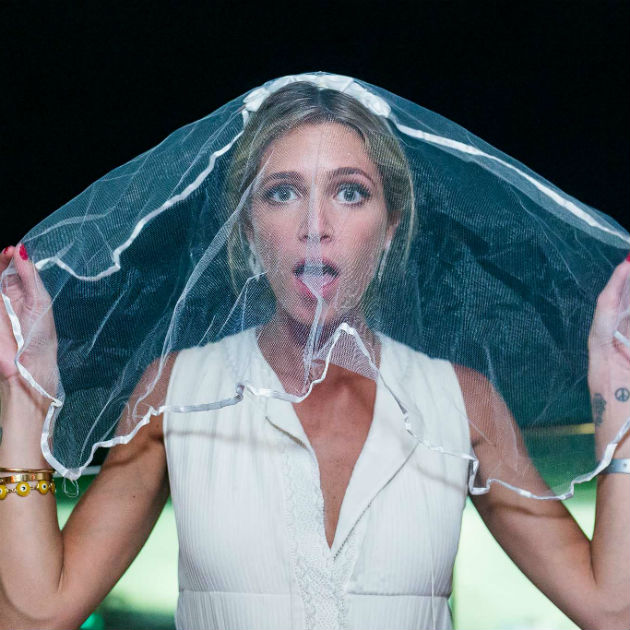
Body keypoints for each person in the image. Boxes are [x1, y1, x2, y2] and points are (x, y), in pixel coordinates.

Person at [0, 77, 628, 630]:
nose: (314, 225)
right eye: (282, 193)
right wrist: (26, 392)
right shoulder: (176, 390)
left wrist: (619, 396)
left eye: (350, 192)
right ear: (248, 228)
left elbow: (612, 610)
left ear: (390, 227)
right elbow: (35, 614)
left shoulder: (461, 402)